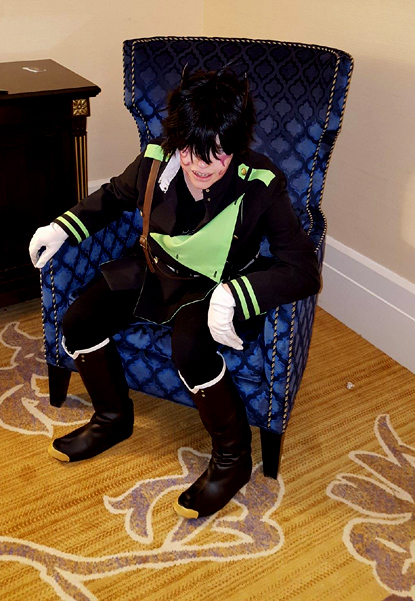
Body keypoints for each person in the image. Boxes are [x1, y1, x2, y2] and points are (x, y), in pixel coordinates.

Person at [29, 67, 321, 519]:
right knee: (79, 321)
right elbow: (113, 196)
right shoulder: (154, 162)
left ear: (236, 145)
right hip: (154, 268)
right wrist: (62, 227)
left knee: (190, 347)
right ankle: (112, 417)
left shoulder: (261, 184)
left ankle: (234, 458)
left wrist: (236, 295)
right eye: (188, 150)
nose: (200, 165)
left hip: (216, 287)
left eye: (217, 153)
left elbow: (303, 271)